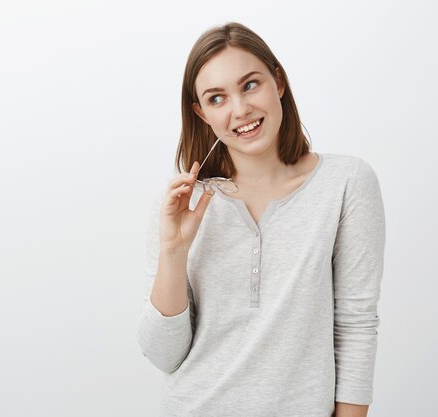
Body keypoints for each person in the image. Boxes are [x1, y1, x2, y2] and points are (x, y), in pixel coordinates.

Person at [136, 22, 386, 417]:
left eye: (250, 85)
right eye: (217, 98)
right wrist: (173, 251)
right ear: (201, 114)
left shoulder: (346, 183)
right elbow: (163, 355)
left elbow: (355, 325)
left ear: (278, 81)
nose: (240, 109)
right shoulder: (180, 206)